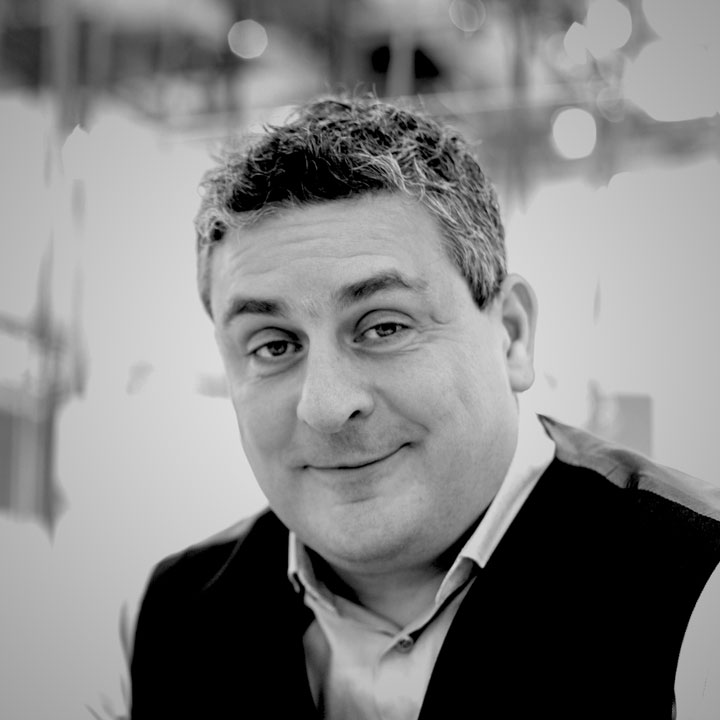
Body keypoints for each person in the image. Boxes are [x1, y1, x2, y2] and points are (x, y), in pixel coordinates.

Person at [128, 95, 720, 719]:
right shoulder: (177, 614)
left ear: (512, 334)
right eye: (274, 346)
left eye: (383, 327)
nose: (326, 407)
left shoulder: (697, 591)